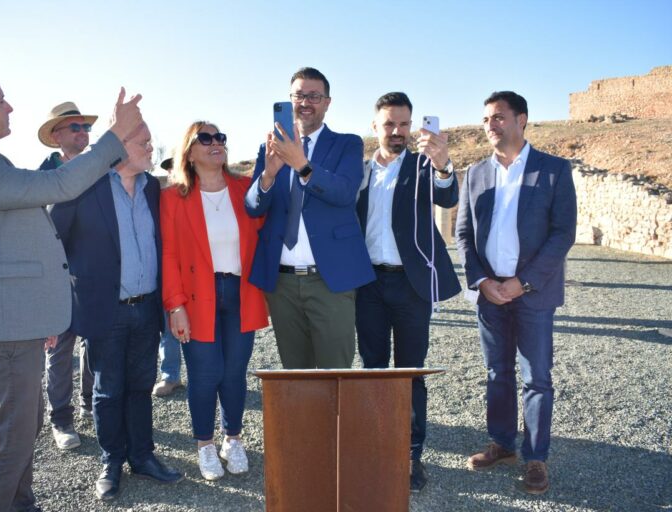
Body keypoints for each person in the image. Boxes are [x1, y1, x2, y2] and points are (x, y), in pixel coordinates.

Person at [0, 63, 142, 512]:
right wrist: (115, 136)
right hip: (0, 327)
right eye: (0, 99)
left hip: (12, 322)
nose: (9, 106)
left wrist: (39, 313)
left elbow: (13, 247)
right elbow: (60, 184)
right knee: (10, 440)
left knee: (22, 432)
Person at [50, 122, 183, 500]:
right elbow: (52, 243)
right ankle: (111, 462)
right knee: (108, 391)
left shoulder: (153, 187)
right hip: (104, 311)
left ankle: (142, 456)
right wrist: (55, 307)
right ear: (119, 146)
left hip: (147, 309)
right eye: (144, 142)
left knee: (140, 387)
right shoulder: (82, 185)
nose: (152, 148)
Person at [455, 91, 577, 495]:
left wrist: (522, 282)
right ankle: (502, 444)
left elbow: (563, 233)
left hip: (533, 293)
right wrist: (481, 281)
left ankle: (535, 457)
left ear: (521, 119)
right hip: (490, 292)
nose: (490, 125)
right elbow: (463, 234)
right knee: (497, 373)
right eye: (486, 119)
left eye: (499, 117)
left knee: (537, 377)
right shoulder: (475, 173)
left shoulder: (553, 170)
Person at [355, 92, 462, 491]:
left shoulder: (422, 165)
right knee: (372, 369)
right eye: (389, 124)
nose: (397, 131)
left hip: (412, 285)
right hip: (368, 283)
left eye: (403, 124)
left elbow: (447, 196)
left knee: (410, 373)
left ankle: (411, 455)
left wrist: (443, 164)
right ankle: (375, 447)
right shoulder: (360, 171)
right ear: (375, 126)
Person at [245, 66, 374, 369]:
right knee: (295, 375)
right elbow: (252, 207)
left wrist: (301, 165)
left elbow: (344, 192)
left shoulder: (348, 144)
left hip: (330, 280)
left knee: (335, 373)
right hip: (282, 284)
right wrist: (268, 175)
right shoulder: (269, 149)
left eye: (314, 96)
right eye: (299, 95)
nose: (305, 102)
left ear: (327, 102)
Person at [163, 121, 268, 480]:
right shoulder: (173, 197)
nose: (215, 143)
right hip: (197, 296)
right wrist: (176, 305)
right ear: (189, 152)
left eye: (219, 137)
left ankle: (232, 439)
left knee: (235, 372)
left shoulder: (245, 188)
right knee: (205, 374)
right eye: (205, 138)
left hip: (241, 293)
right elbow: (169, 256)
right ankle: (205, 444)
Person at [37, 101, 99, 451]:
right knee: (59, 350)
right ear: (56, 135)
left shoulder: (99, 171)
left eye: (85, 127)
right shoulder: (41, 178)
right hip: (56, 279)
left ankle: (90, 403)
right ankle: (61, 418)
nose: (82, 132)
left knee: (93, 344)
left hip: (92, 276)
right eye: (75, 127)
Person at [152, 155, 183, 397]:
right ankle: (171, 376)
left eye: (177, 167)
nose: (173, 173)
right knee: (169, 326)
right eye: (170, 169)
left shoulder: (206, 195)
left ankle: (211, 375)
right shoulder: (160, 199)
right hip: (168, 273)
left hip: (200, 273)